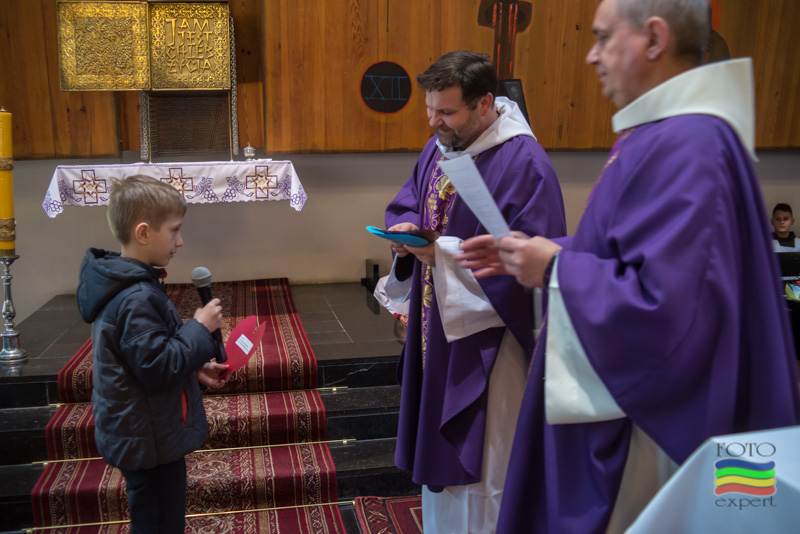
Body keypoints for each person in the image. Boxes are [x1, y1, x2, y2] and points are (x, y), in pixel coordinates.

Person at [459, 1, 800, 532]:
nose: (591, 56)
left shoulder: (691, 143)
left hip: (657, 430)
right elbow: (639, 249)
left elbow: (671, 309)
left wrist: (555, 268)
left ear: (655, 38)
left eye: (603, 37)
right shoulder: (664, 132)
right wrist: (541, 250)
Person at [382, 50, 566, 533]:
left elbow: (532, 264)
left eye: (446, 111)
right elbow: (412, 200)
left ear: (485, 103)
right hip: (437, 326)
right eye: (430, 109)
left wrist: (441, 254)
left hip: (492, 345)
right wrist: (406, 229)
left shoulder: (524, 163)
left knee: (488, 467)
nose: (434, 122)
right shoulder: (442, 145)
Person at [76, 175, 229, 534]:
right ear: (143, 233)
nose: (180, 241)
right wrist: (199, 327)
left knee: (159, 516)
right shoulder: (136, 297)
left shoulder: (131, 284)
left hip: (145, 430)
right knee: (158, 522)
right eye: (174, 230)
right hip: (147, 438)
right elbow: (157, 367)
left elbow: (145, 357)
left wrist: (194, 367)